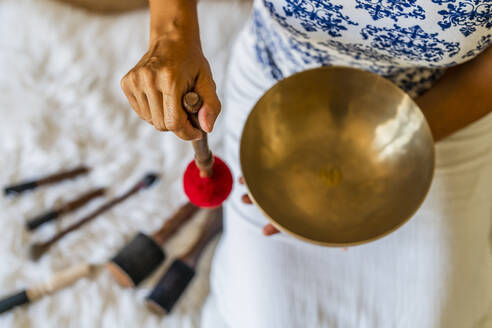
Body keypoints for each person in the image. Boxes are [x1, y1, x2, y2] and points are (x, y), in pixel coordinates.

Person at [120, 0, 492, 327]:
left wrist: (387, 148)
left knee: (432, 318)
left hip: (437, 104)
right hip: (281, 82)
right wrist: (170, 30)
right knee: (266, 319)